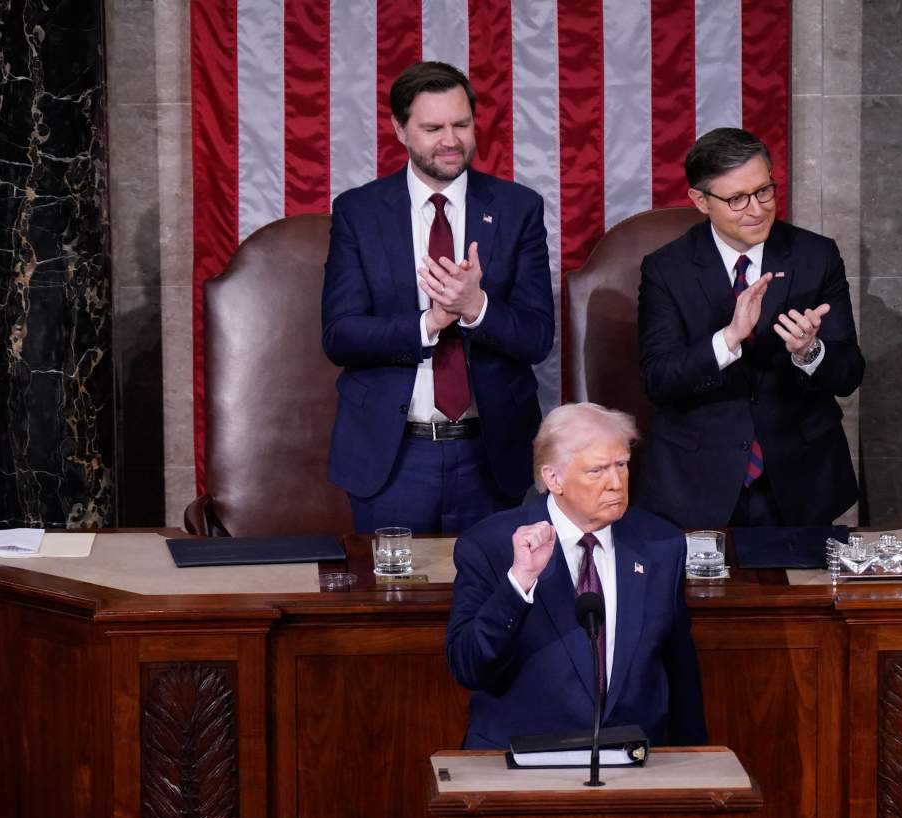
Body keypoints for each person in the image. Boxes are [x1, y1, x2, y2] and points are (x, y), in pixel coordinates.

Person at [322, 61, 554, 534]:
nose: (451, 140)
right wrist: (428, 323)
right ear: (399, 129)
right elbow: (339, 335)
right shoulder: (358, 212)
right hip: (393, 457)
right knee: (393, 605)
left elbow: (537, 337)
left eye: (462, 124)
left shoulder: (517, 208)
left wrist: (476, 309)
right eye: (433, 127)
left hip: (489, 456)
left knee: (496, 601)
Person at [637, 128, 864, 528]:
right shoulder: (665, 269)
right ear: (700, 201)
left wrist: (809, 352)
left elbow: (848, 374)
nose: (757, 209)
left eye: (764, 191)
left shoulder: (816, 255)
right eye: (737, 199)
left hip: (800, 479)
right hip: (697, 482)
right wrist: (728, 339)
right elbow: (659, 380)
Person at [445, 403, 707, 749]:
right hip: (520, 763)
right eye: (597, 471)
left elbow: (679, 670)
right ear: (554, 479)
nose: (616, 483)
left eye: (622, 465)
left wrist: (693, 762)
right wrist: (519, 581)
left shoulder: (661, 544)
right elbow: (469, 666)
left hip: (632, 763)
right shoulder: (489, 545)